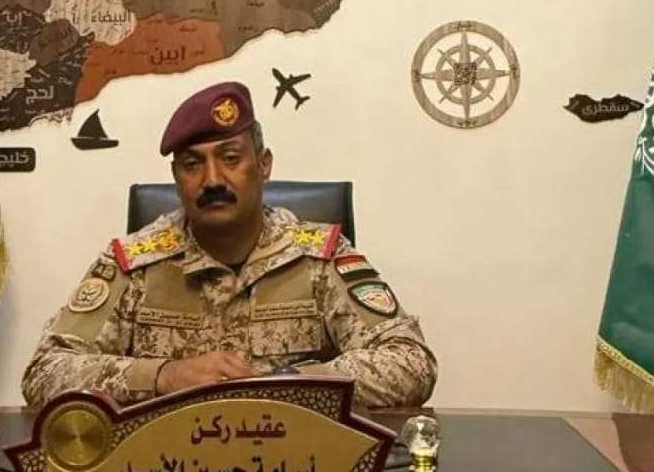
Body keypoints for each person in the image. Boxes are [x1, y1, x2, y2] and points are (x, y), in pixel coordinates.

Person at [22, 81, 437, 409]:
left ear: (264, 165)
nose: (213, 180)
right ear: (176, 178)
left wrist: (289, 384)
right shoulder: (134, 264)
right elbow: (44, 373)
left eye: (231, 158)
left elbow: (411, 363)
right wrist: (162, 376)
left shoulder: (319, 257)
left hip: (295, 462)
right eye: (192, 164)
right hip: (164, 467)